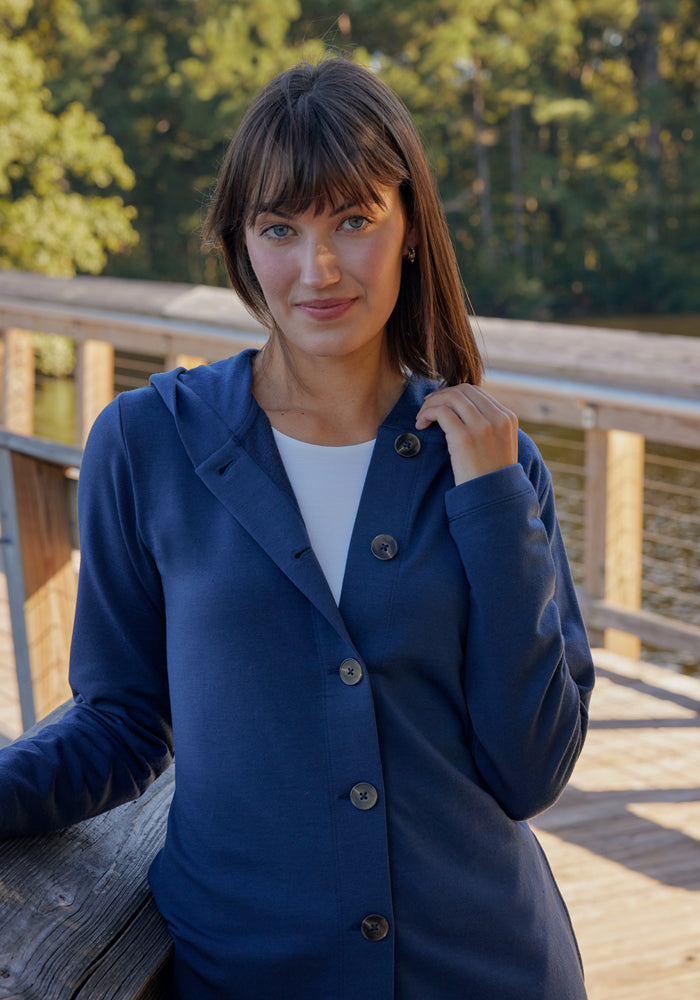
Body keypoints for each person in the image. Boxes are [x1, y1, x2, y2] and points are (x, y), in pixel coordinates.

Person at [0, 59, 594, 999]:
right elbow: (118, 726)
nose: (318, 269)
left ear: (408, 231)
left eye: (354, 221)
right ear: (242, 245)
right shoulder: (147, 441)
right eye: (282, 228)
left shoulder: (492, 460)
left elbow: (531, 772)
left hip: (486, 966)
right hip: (253, 971)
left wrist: (491, 509)